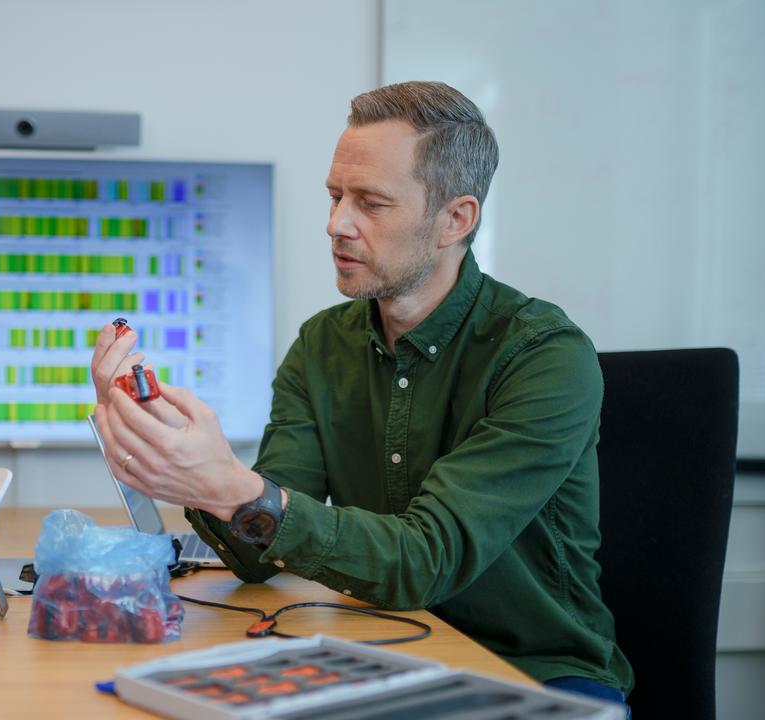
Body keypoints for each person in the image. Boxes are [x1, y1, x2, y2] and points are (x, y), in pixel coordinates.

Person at [90, 81, 633, 708]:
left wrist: (231, 487)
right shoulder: (323, 343)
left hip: (536, 673)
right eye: (334, 195)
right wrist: (176, 458)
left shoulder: (545, 356)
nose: (335, 224)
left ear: (455, 220)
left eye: (370, 203)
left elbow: (424, 561)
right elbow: (257, 558)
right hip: (383, 653)